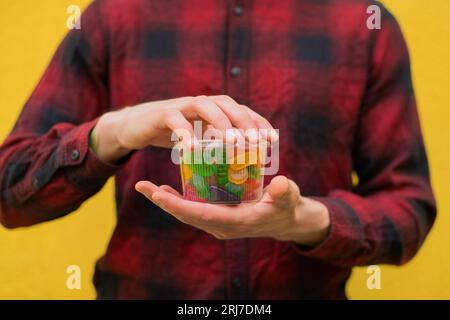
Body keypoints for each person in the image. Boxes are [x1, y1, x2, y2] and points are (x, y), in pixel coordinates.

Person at [0, 0, 436, 299]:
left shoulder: (365, 22)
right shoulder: (115, 14)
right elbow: (10, 192)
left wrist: (304, 221)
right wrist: (115, 130)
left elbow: (409, 209)